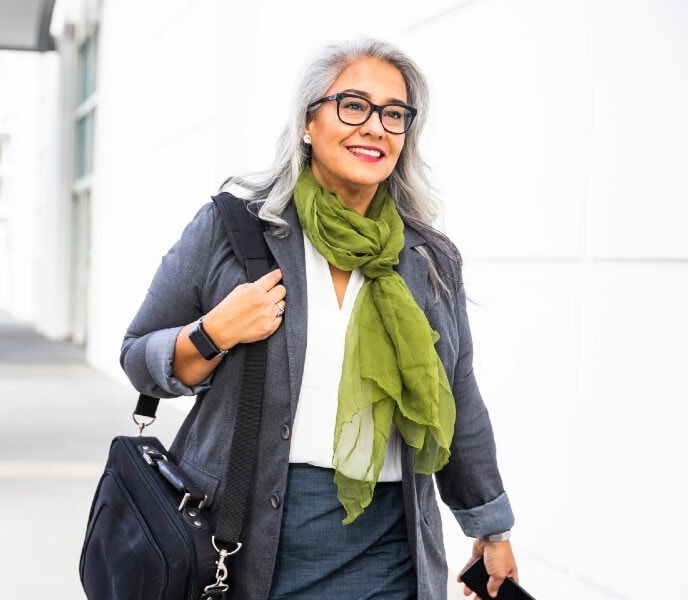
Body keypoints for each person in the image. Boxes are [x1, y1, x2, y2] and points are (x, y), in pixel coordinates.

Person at [121, 39, 519, 600]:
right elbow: (139, 357)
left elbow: (459, 396)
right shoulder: (233, 230)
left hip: (390, 544)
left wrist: (490, 526)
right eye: (353, 105)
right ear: (309, 121)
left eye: (393, 114)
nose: (375, 127)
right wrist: (214, 332)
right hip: (246, 540)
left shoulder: (427, 259)